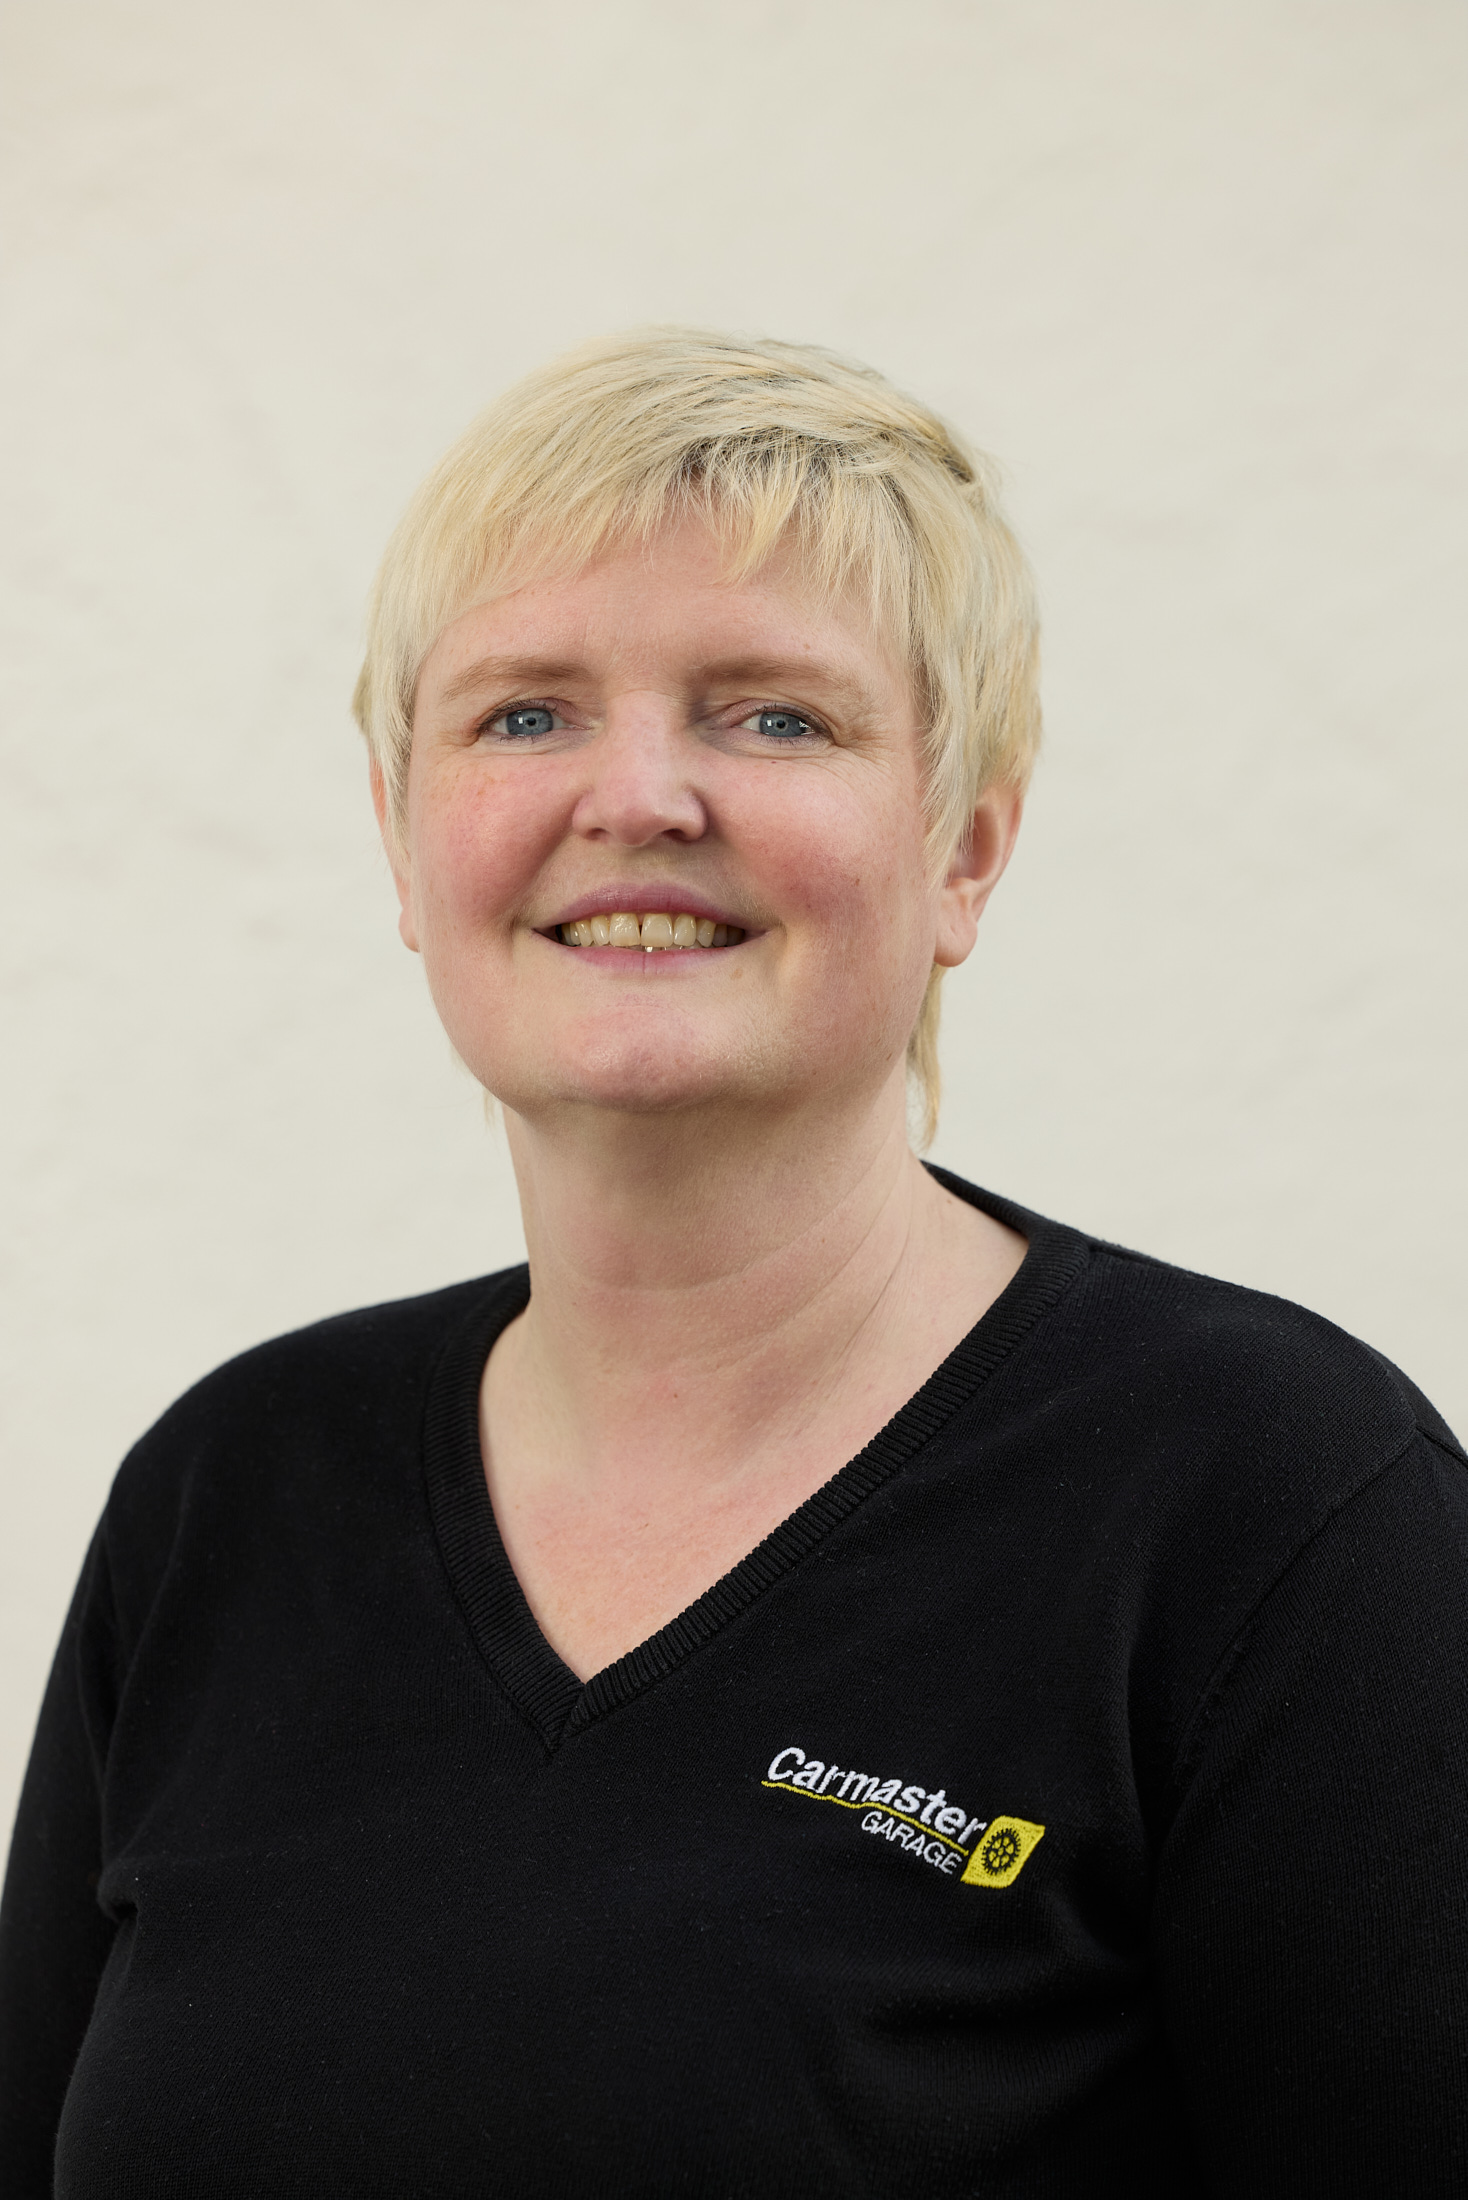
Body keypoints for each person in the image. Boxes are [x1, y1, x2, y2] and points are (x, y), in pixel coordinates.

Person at [2, 329, 1464, 2198]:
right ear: (400, 838)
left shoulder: (1274, 1508)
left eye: (772, 716)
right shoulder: (225, 1493)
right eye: (524, 715)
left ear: (966, 849)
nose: (637, 798)